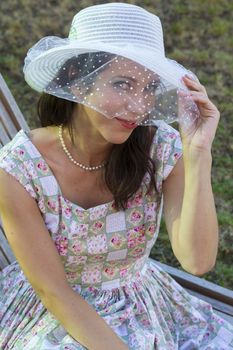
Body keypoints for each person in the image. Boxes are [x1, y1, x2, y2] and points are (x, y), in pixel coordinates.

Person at [0, 2, 232, 349]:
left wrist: (198, 154)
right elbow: (54, 290)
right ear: (77, 83)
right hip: (52, 309)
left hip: (140, 302)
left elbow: (197, 260)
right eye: (123, 84)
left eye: (150, 88)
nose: (139, 106)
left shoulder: (161, 147)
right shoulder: (18, 171)